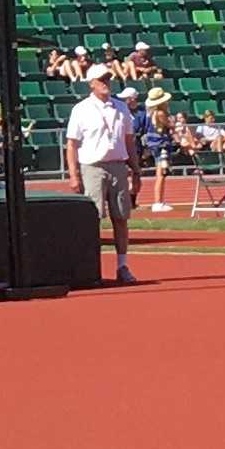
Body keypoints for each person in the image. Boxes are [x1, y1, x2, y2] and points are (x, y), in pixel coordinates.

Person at [62, 62, 140, 285]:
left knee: (121, 217)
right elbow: (72, 144)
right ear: (92, 84)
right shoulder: (82, 109)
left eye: (108, 79)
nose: (107, 83)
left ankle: (122, 265)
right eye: (102, 80)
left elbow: (128, 140)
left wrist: (135, 169)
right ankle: (90, 267)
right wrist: (74, 175)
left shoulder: (120, 107)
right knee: (93, 218)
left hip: (117, 165)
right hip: (92, 167)